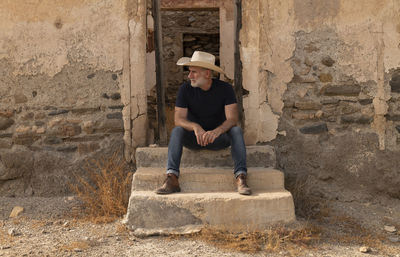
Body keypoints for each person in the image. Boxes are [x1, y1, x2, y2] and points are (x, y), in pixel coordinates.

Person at [155, 51, 251, 195]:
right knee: (177, 130)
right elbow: (178, 119)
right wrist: (195, 127)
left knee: (236, 131)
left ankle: (241, 177)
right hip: (195, 139)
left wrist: (217, 131)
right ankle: (172, 178)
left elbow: (232, 119)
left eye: (194, 72)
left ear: (207, 74)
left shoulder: (225, 89)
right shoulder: (185, 89)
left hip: (218, 138)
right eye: (189, 72)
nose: (189, 76)